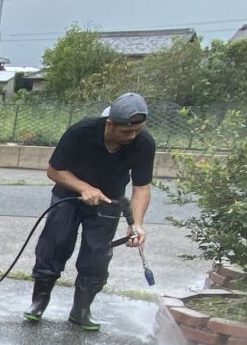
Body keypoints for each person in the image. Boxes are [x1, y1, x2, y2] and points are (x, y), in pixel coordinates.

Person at [24, 92, 154, 332]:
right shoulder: (81, 132)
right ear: (110, 123)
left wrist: (136, 223)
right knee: (54, 246)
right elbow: (54, 170)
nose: (132, 136)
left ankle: (81, 310)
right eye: (126, 131)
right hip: (68, 197)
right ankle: (39, 303)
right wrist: (84, 187)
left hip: (109, 203)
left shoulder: (144, 144)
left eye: (137, 130)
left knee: (97, 257)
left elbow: (141, 187)